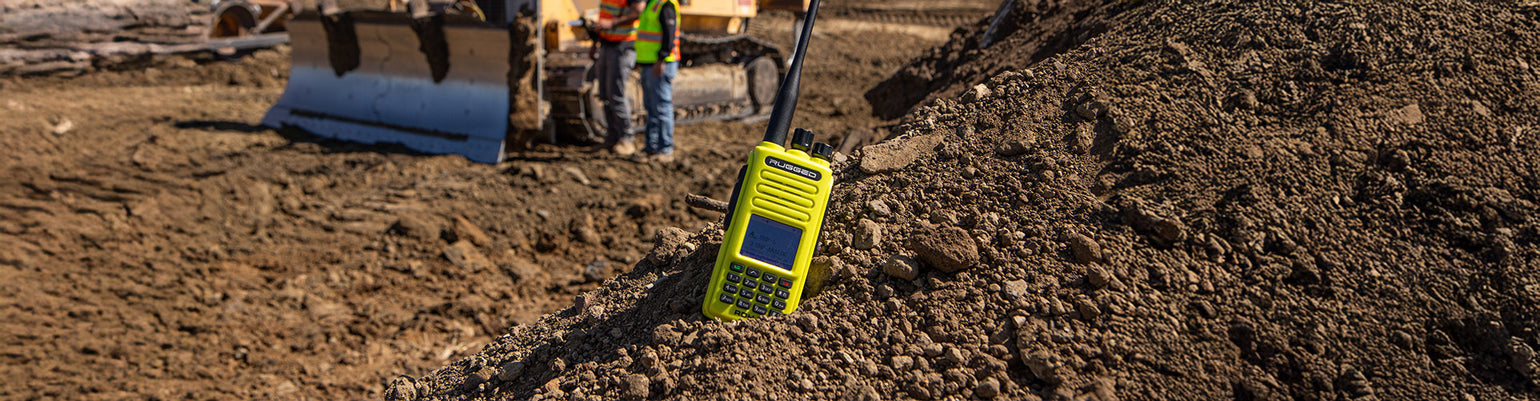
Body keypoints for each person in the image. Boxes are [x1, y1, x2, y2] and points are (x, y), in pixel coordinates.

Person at [589, 0, 647, 155]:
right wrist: (595, 42)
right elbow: (606, 16)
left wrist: (612, 23)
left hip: (623, 46)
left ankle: (626, 138)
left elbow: (638, 11)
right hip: (606, 44)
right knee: (605, 95)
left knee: (616, 94)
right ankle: (612, 138)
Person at [634, 0, 680, 163]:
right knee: (651, 107)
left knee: (661, 106)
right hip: (649, 62)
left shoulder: (665, 4)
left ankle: (665, 149)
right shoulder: (651, 4)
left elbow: (669, 33)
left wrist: (662, 58)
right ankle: (651, 146)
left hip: (660, 63)